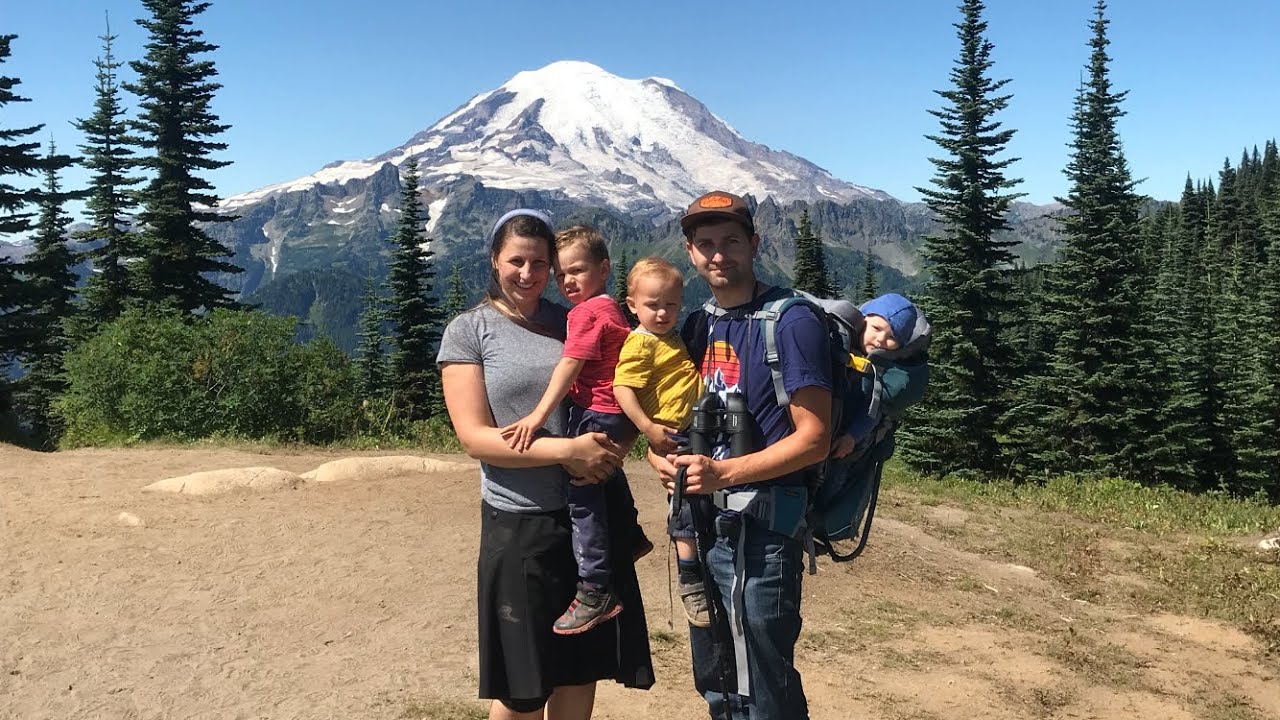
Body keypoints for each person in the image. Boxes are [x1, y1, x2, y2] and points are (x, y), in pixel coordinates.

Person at [438, 209, 654, 720]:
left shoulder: (575, 317)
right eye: (516, 260)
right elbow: (475, 438)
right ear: (495, 260)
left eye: (540, 263)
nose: (528, 273)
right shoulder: (469, 331)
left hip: (588, 515)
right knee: (522, 688)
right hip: (520, 522)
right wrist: (569, 452)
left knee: (579, 673)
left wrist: (615, 449)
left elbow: (623, 387)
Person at [648, 191, 833, 720]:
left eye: (730, 241)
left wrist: (723, 472)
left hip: (764, 529)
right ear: (690, 252)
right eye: (705, 243)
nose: (718, 254)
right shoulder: (696, 324)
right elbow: (679, 414)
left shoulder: (791, 322)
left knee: (765, 676)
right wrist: (662, 455)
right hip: (705, 522)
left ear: (754, 243)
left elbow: (814, 438)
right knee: (717, 673)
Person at [500, 225, 650, 635]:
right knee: (605, 476)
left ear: (604, 269)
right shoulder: (611, 307)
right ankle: (630, 533)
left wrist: (537, 415)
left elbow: (571, 364)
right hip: (616, 408)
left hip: (596, 409)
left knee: (582, 497)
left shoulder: (585, 312)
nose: (568, 281)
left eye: (577, 271)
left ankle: (595, 588)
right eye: (561, 273)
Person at [609, 257, 709, 627]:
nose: (663, 312)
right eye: (653, 305)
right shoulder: (640, 343)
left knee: (700, 495)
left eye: (671, 304)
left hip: (697, 428)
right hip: (673, 433)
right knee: (684, 500)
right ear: (632, 305)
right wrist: (647, 428)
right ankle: (690, 576)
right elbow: (623, 387)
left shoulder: (669, 336)